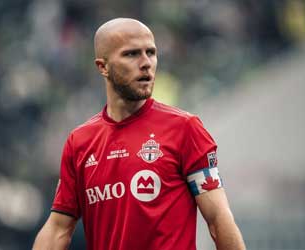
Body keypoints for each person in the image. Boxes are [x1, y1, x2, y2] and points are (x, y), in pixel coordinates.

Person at [33, 18, 246, 250]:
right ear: (102, 67)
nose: (146, 63)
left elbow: (218, 220)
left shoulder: (186, 129)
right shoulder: (80, 142)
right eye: (131, 54)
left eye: (151, 53)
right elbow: (58, 229)